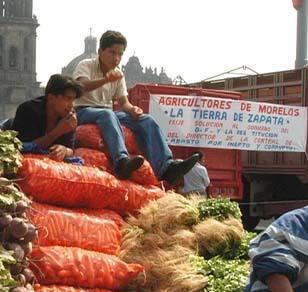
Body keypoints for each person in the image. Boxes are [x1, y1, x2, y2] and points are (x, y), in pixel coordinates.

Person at [73, 31, 199, 182]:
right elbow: (80, 86)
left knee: (146, 120)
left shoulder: (118, 74)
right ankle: (121, 161)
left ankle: (166, 168)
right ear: (100, 51)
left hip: (107, 113)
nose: (116, 58)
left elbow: (123, 102)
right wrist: (105, 80)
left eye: (120, 54)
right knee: (108, 114)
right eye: (112, 53)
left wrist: (133, 109)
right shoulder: (85, 65)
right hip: (84, 111)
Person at [10, 74, 82, 162]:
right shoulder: (28, 110)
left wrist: (64, 150)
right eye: (67, 99)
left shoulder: (69, 116)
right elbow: (23, 147)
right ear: (51, 98)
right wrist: (57, 132)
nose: (71, 105)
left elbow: (71, 149)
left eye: (73, 100)